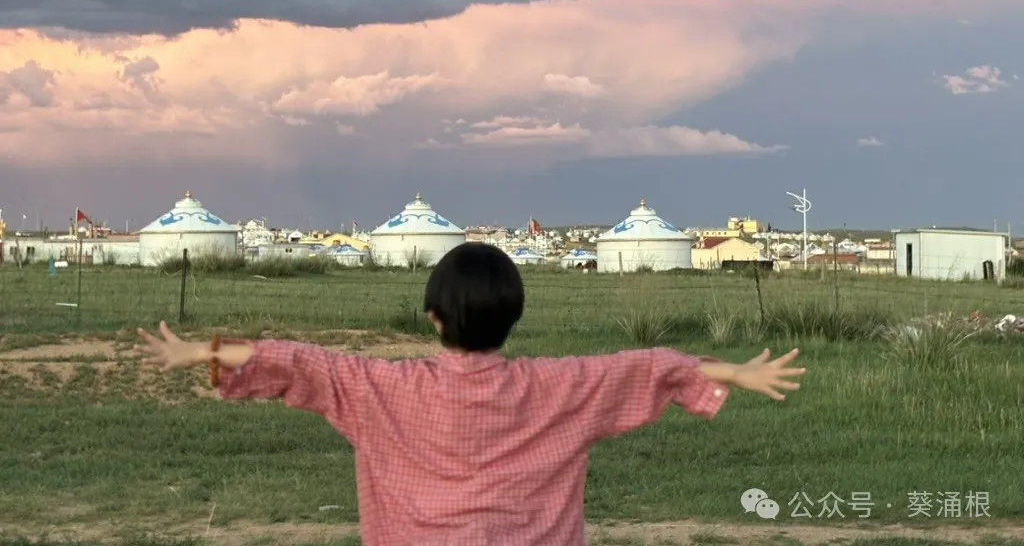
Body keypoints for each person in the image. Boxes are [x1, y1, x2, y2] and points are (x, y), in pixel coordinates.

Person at [136, 242, 805, 546]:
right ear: (512, 317)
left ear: (432, 317)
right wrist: (734, 373)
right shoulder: (558, 390)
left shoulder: (381, 389)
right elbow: (648, 365)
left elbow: (295, 361)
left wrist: (199, 352)